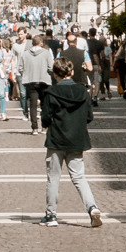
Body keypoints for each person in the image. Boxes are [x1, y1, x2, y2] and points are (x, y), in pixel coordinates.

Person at [40, 58, 102, 226]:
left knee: (53, 177)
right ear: (72, 72)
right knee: (79, 177)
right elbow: (89, 117)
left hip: (56, 140)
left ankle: (51, 215)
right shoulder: (83, 91)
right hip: (77, 140)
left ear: (54, 74)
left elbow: (45, 119)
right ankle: (92, 207)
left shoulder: (50, 92)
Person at [18, 35, 54, 128]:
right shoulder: (46, 53)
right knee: (44, 104)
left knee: (33, 105)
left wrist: (26, 74)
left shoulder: (25, 53)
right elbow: (51, 67)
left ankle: (34, 127)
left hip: (30, 80)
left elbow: (20, 68)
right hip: (44, 80)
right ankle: (44, 126)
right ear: (41, 43)